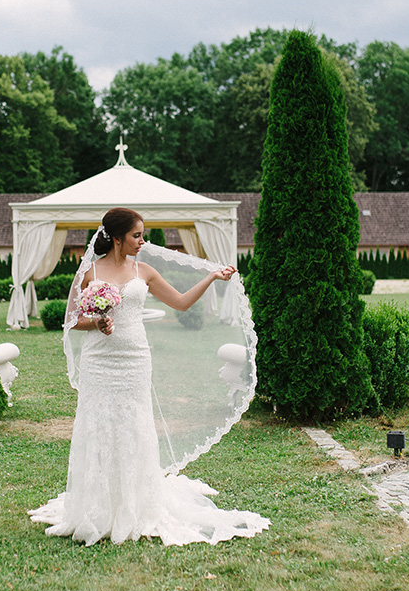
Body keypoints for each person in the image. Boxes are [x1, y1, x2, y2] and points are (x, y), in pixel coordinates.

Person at [28, 207, 270, 546]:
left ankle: (136, 503)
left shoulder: (145, 270)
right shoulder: (90, 272)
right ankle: (97, 505)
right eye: (136, 235)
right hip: (99, 361)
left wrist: (212, 278)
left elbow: (181, 303)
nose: (143, 241)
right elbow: (71, 320)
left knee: (134, 424)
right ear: (117, 238)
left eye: (142, 235)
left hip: (135, 360)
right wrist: (96, 322)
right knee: (98, 423)